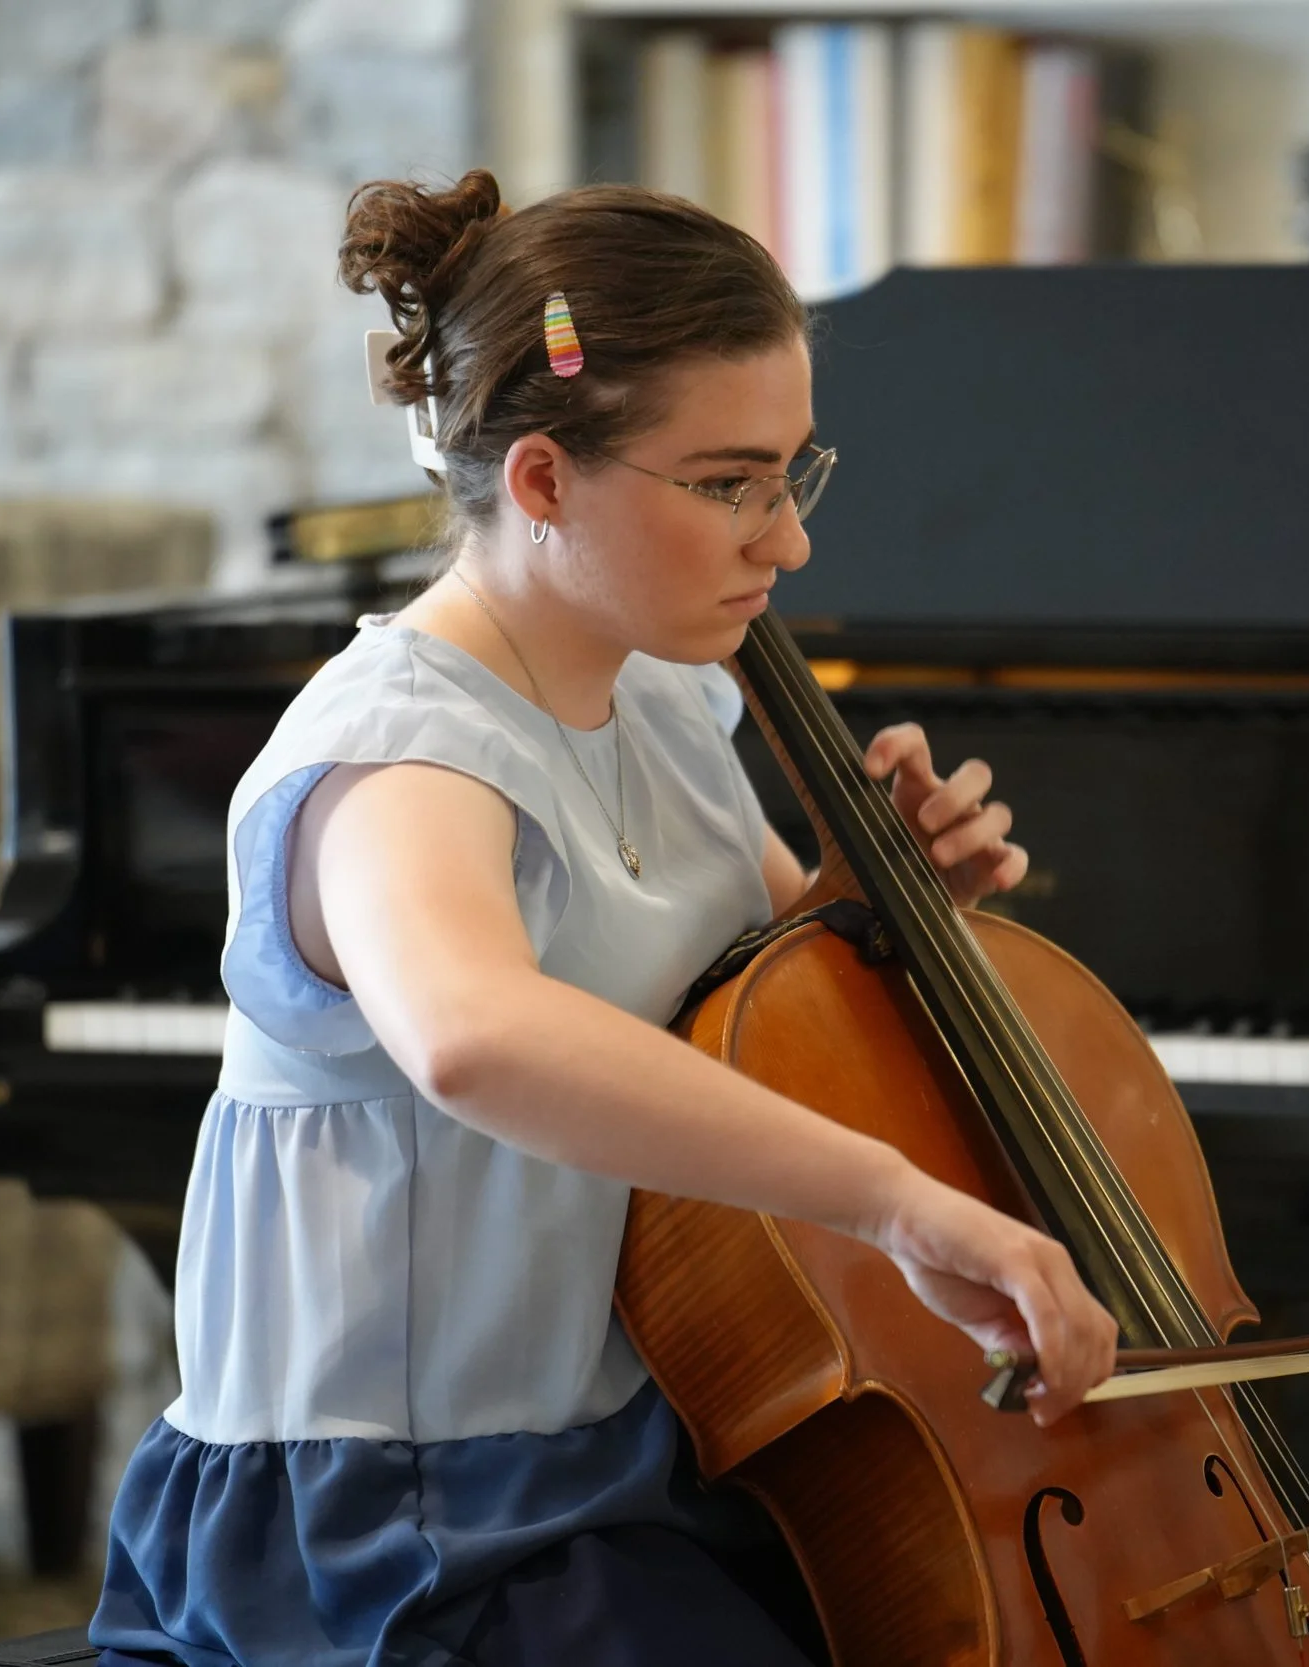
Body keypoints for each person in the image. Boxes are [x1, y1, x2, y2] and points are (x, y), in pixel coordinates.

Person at [87, 169, 1120, 1667]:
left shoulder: (664, 694)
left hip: (637, 1453)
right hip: (396, 1515)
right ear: (545, 481)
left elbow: (769, 1002)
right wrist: (898, 1200)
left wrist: (870, 891)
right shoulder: (397, 752)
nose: (789, 541)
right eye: (728, 484)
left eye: (793, 475)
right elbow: (474, 1036)